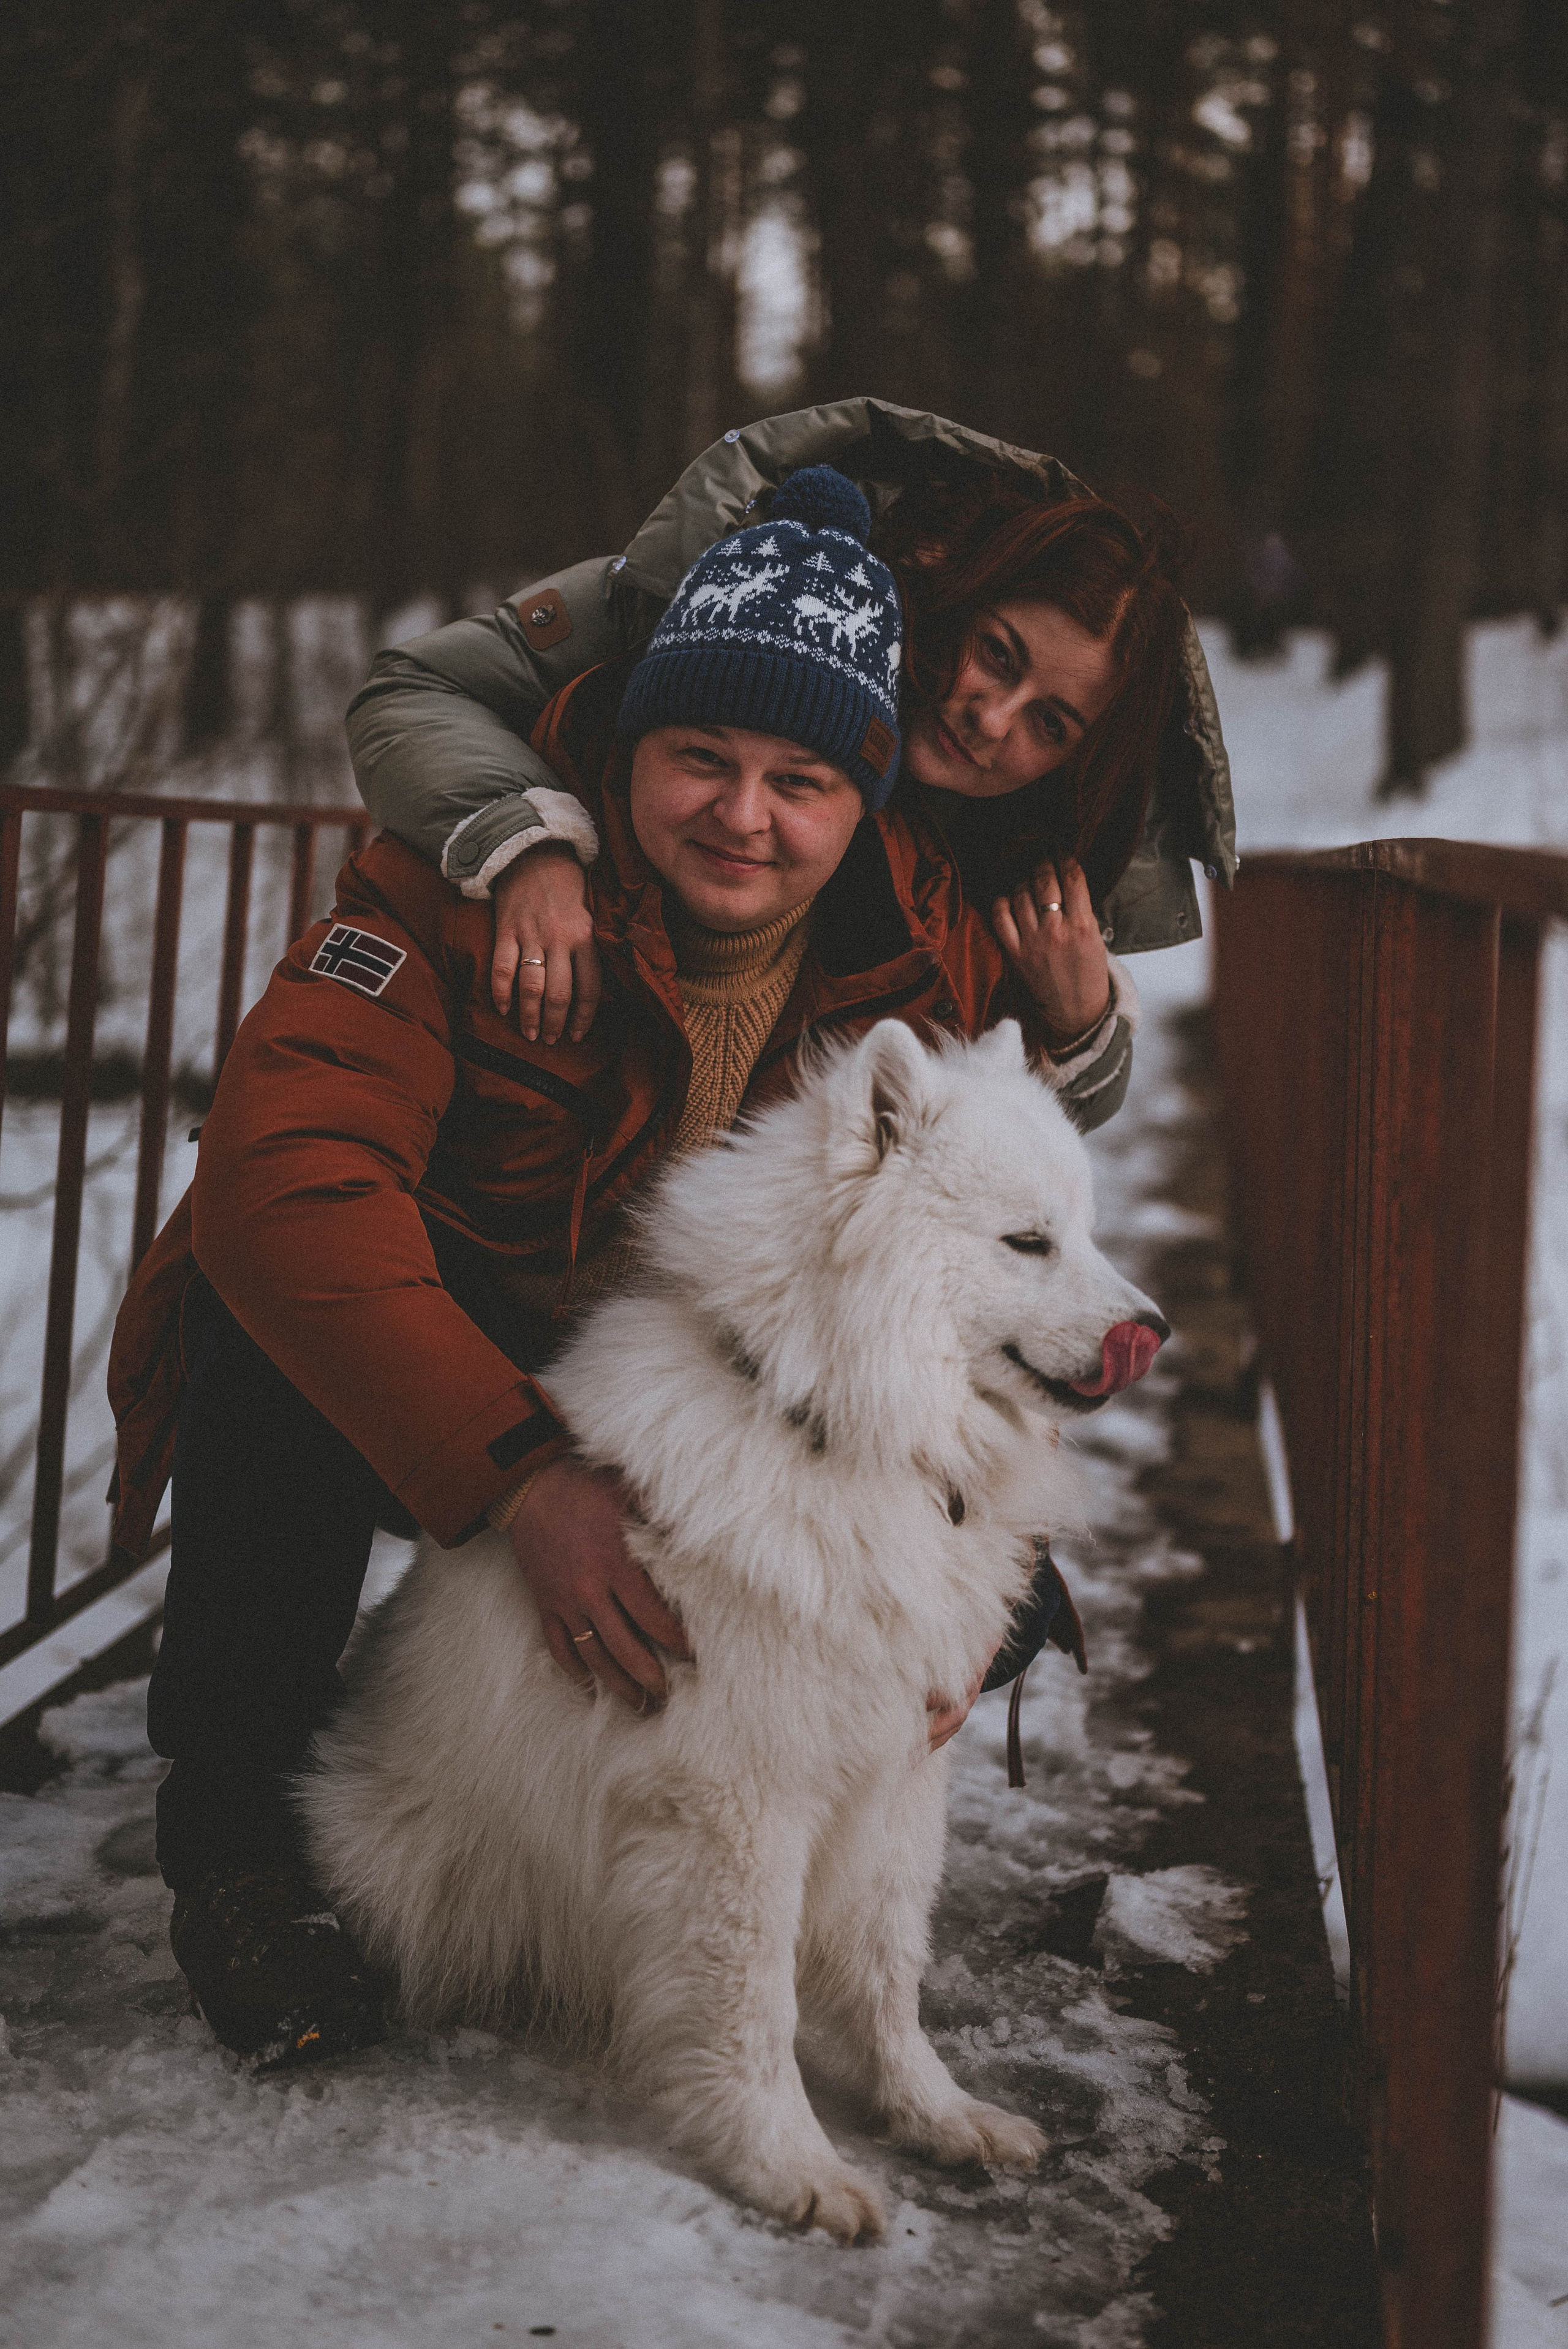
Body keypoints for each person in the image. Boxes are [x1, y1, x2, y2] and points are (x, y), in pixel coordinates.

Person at [108, 470, 1101, 2066]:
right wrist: (518, 1477)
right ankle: (237, 1847)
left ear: (862, 800)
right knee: (266, 1335)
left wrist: (973, 1575)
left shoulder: (909, 963)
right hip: (455, 1338)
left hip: (670, 1387)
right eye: (699, 756)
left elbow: (969, 1278)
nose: (744, 814)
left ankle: (647, 1810)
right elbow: (289, 1177)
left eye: (801, 779)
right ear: (624, 744)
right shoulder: (452, 882)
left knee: (1012, 1569)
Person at [345, 399, 1235, 1125]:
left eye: (1051, 723)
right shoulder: (734, 586)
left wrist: (1083, 1028)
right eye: (998, 653)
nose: (993, 719)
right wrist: (527, 843)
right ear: (955, 584)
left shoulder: (1010, 849)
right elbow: (416, 690)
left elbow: (998, 1132)